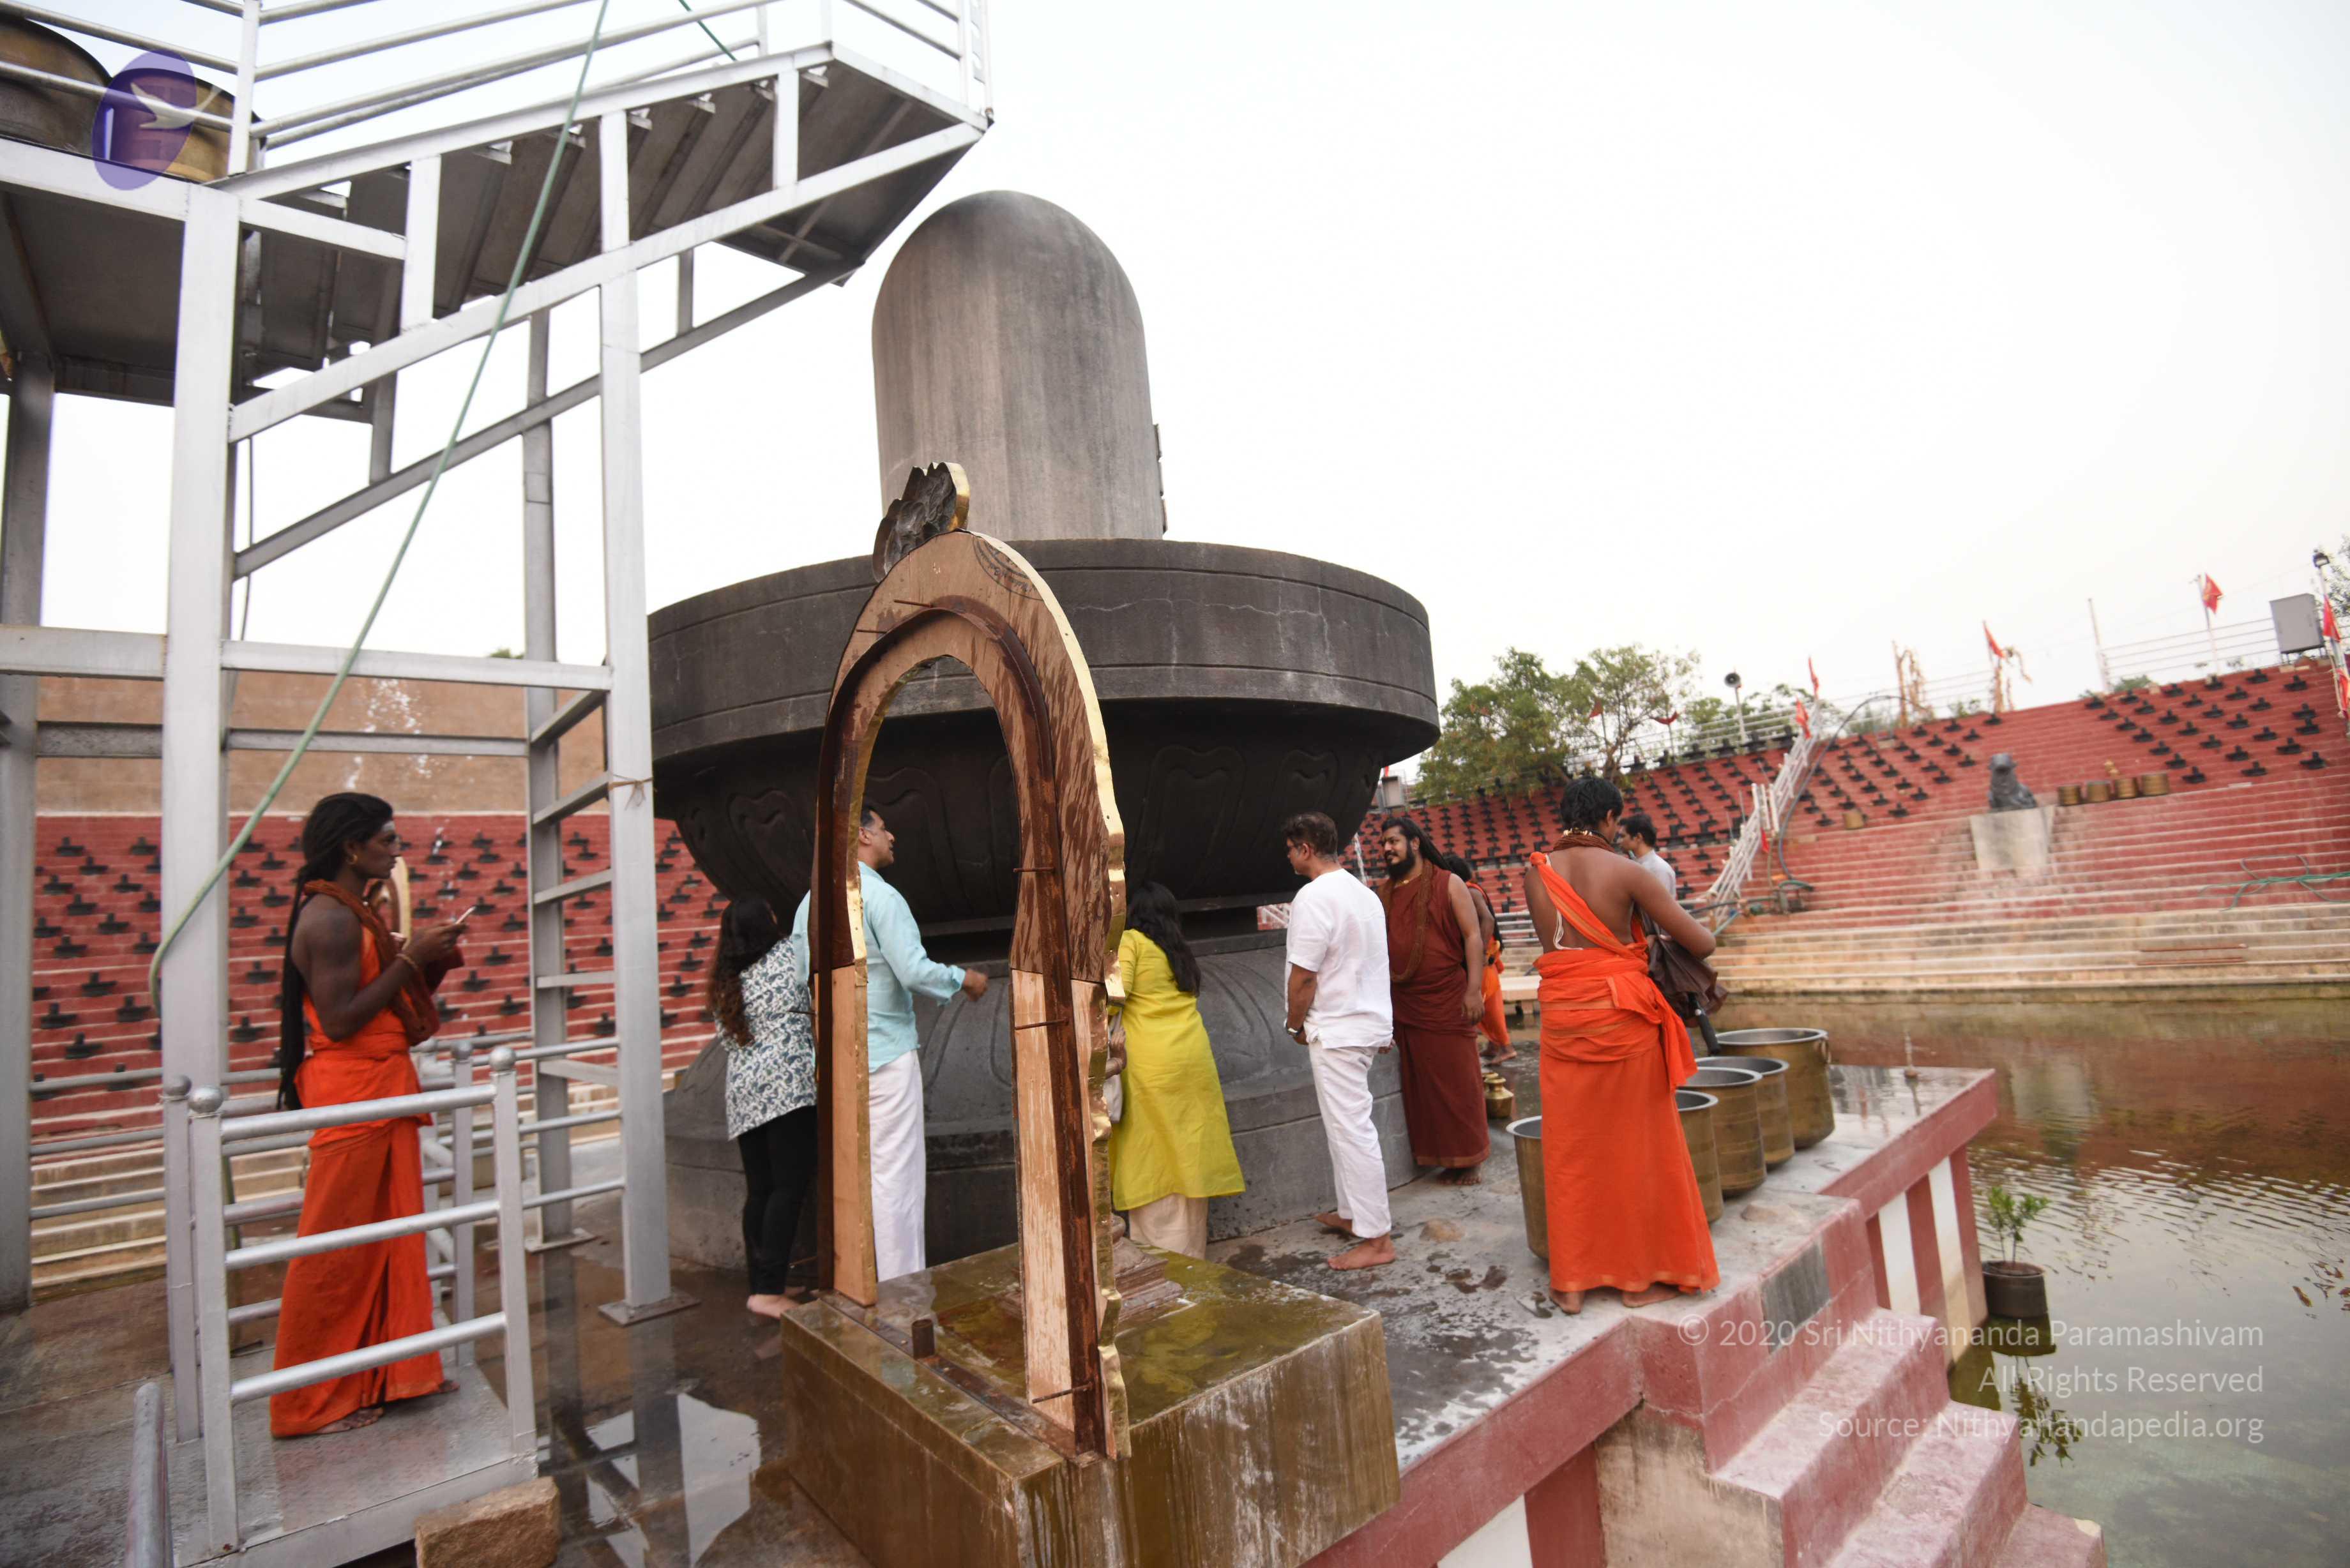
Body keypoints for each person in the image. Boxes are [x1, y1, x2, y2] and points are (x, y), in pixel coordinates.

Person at [269, 793, 467, 1437]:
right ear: (352, 848)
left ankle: (393, 1373)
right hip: (355, 1094)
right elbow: (341, 1020)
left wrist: (426, 960)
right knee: (337, 1251)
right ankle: (304, 1404)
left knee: (389, 1237)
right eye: (386, 839)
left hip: (380, 1086)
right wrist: (411, 957)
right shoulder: (329, 918)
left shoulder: (354, 912)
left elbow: (380, 1002)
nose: (396, 849)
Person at [1520, 776, 1720, 1314]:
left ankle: (1571, 1283)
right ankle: (1636, 1281)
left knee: (1571, 1151)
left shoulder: (1536, 873)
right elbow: (1703, 943)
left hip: (1563, 1019)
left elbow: (1561, 948)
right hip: (1622, 1021)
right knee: (1638, 1149)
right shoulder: (1627, 871)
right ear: (1610, 819)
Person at [792, 805, 987, 1281]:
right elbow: (913, 971)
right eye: (883, 829)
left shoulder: (810, 903)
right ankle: (903, 1292)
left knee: (853, 1180)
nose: (892, 836)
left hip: (836, 1059)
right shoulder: (880, 896)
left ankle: (858, 1284)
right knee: (896, 1180)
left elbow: (802, 978)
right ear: (863, 835)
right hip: (887, 1056)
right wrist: (964, 979)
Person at [1280, 811, 1396, 1270]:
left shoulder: (1314, 897)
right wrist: (1382, 1025)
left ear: (1306, 849)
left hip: (1337, 1029)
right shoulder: (1363, 894)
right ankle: (1354, 1215)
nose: (1288, 858)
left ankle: (1378, 1239)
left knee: (1352, 1132)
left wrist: (1294, 1024)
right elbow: (1375, 964)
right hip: (1362, 1024)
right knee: (1344, 1128)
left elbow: (1304, 976)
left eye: (1291, 850)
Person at [1107, 881, 1244, 1257]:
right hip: (1192, 1057)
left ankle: (1163, 1259)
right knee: (1187, 1152)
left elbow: (1113, 997)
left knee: (1153, 1154)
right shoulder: (1178, 949)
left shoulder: (1132, 942)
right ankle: (1192, 1254)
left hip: (1152, 1065)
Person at [709, 897, 817, 1319]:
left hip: (744, 1094)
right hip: (786, 1089)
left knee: (761, 1190)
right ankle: (769, 1292)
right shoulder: (788, 955)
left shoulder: (725, 980)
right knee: (788, 1188)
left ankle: (761, 1283)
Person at [1374, 819, 1489, 1184]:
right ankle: (1439, 1156)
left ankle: (1470, 1157)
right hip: (1404, 1002)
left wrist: (1474, 989)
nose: (1387, 849)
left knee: (1458, 1081)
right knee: (1422, 1087)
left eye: (1393, 841)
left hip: (1447, 998)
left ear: (1415, 843)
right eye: (1383, 843)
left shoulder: (1448, 883)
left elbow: (1473, 936)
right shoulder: (1383, 892)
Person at [1437, 851, 1513, 1063]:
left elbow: (1487, 920)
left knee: (1488, 1005)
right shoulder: (1469, 890)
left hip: (1484, 959)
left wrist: (1479, 952)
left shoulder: (1469, 891)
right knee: (1486, 1003)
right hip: (1485, 957)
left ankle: (1506, 1047)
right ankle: (1494, 1045)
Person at [1621, 811, 1678, 901]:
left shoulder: (1659, 869)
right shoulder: (1636, 865)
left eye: (1623, 836)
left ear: (1638, 837)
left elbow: (1660, 907)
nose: (1619, 841)